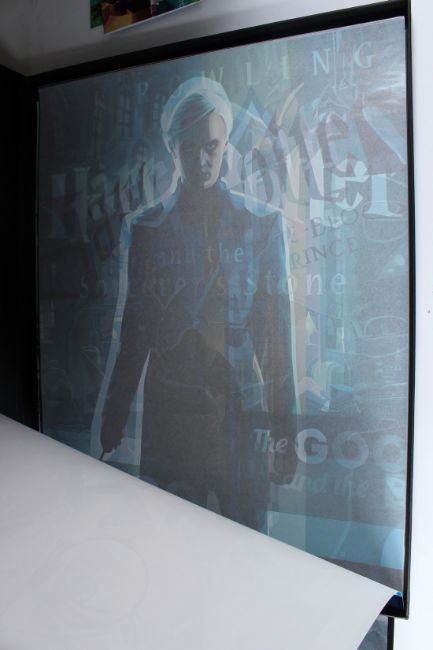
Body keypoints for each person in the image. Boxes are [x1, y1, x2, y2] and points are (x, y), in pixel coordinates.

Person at [99, 77, 297, 530]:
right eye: (190, 148)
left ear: (225, 145)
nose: (202, 159)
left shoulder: (261, 226)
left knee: (247, 544)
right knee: (168, 542)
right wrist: (112, 423)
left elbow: (274, 339)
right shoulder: (147, 229)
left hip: (238, 418)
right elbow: (134, 333)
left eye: (212, 146)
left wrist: (284, 432)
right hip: (171, 418)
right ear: (173, 148)